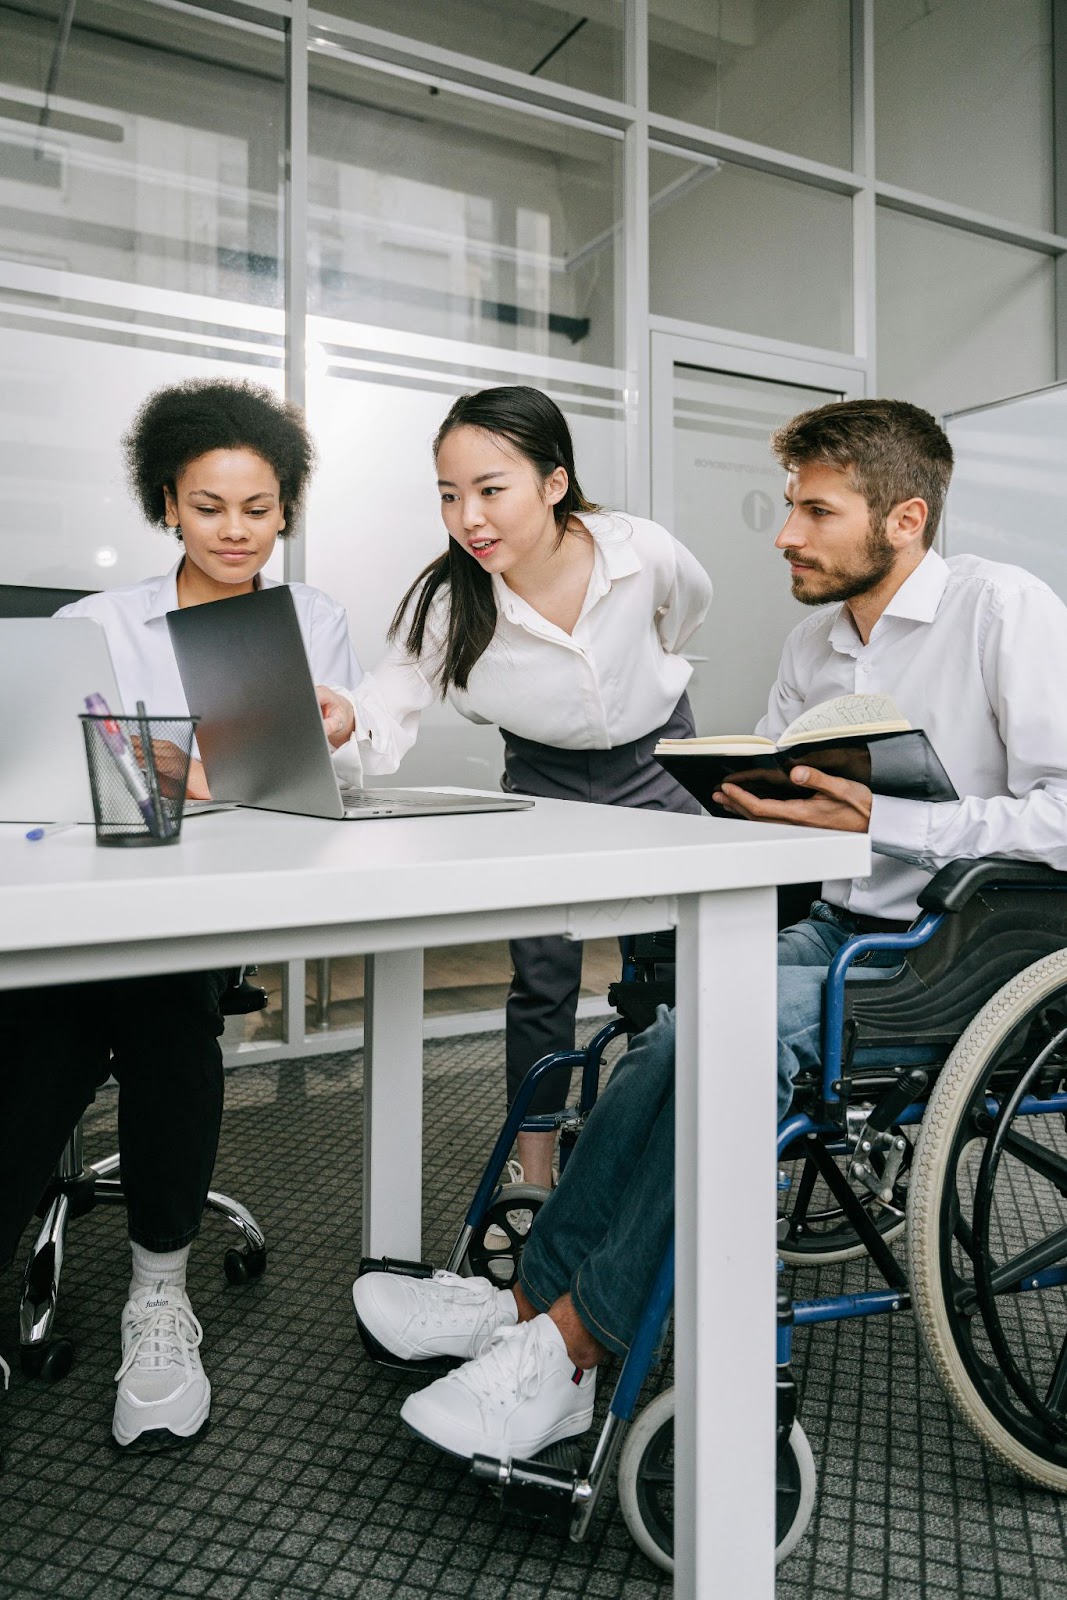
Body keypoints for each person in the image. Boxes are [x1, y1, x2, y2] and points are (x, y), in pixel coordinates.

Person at [352, 397, 1067, 1465]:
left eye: (813, 511)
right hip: (844, 931)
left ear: (904, 518)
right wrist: (746, 804)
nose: (783, 534)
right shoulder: (813, 643)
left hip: (972, 952)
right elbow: (791, 808)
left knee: (719, 1032)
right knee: (665, 1034)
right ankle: (527, 1305)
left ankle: (575, 1344)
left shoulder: (1001, 610)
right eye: (788, 506)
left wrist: (888, 818)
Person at [0, 378, 364, 1454]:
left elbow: (294, 785)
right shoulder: (93, 624)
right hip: (91, 899)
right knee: (48, 1023)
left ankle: (158, 1298)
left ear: (285, 510)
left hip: (213, 906)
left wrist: (225, 768)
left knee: (155, 999)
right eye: (211, 507)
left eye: (258, 509)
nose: (237, 531)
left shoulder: (307, 620)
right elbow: (69, 779)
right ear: (168, 505)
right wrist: (194, 773)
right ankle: (153, 1283)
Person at [324, 384, 712, 1191]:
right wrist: (340, 718)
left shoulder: (638, 550)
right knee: (542, 975)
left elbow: (686, 613)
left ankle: (668, 1137)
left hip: (662, 755)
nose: (469, 517)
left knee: (685, 952)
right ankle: (531, 1174)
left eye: (490, 490)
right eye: (448, 495)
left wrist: (645, 687)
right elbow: (385, 699)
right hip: (543, 775)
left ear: (554, 483)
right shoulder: (447, 600)